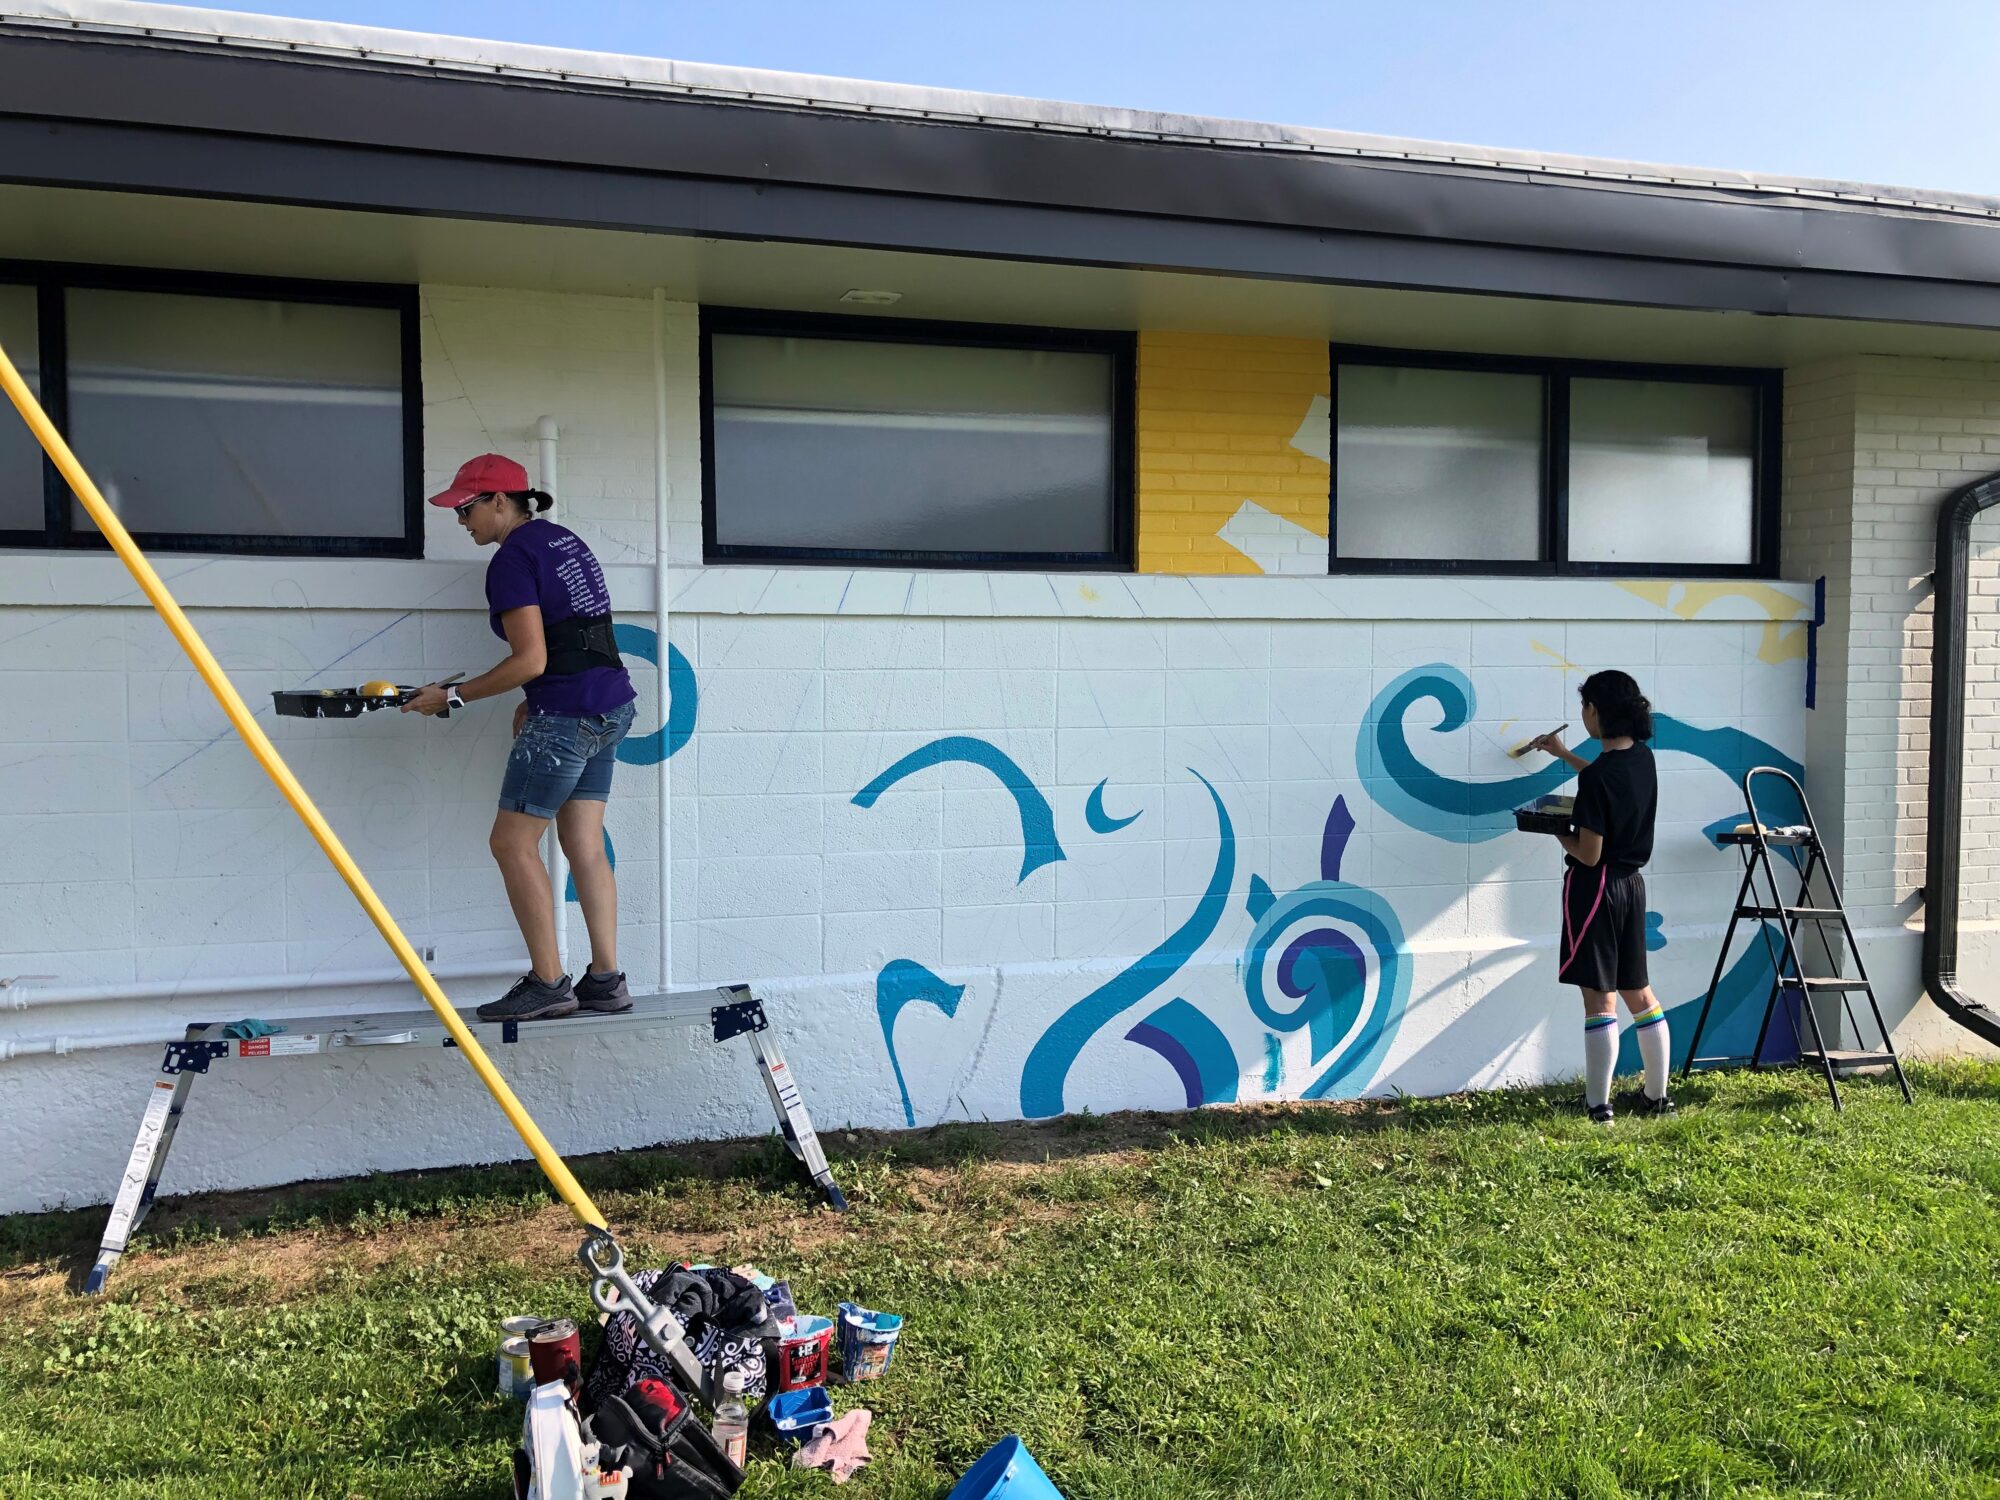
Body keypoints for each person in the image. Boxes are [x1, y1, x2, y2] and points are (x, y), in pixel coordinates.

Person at [403, 453, 638, 1022]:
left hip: (568, 715)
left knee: (511, 844)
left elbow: (531, 658)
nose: (462, 523)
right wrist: (531, 700)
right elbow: (572, 637)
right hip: (611, 705)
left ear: (499, 501)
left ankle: (550, 983)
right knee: (583, 844)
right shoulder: (564, 541)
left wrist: (451, 697)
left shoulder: (510, 560)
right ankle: (605, 981)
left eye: (466, 509)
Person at [1527, 670, 1674, 1125]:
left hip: (1595, 890)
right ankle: (1657, 1098)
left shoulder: (1598, 780)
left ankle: (1599, 1108)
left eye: (1584, 708)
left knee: (1599, 999)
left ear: (1595, 711)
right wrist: (1564, 754)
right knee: (1640, 993)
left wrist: (1554, 829)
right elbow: (1606, 780)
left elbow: (1588, 855)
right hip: (1632, 887)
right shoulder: (1642, 759)